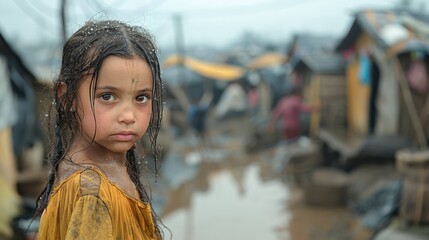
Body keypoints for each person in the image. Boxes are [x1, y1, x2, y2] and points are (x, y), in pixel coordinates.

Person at [35, 20, 164, 239]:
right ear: (67, 97)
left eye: (141, 97)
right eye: (107, 96)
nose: (128, 116)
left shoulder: (108, 168)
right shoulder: (91, 194)